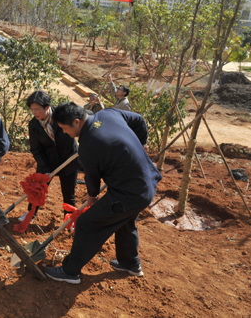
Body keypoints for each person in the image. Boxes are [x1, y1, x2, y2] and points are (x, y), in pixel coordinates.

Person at [44, 103, 161, 284]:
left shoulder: (88, 146)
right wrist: (142, 142)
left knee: (86, 223)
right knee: (124, 221)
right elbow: (138, 120)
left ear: (76, 122)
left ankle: (70, 271)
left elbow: (92, 178)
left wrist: (92, 197)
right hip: (147, 182)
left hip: (129, 193)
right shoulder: (108, 114)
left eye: (65, 128)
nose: (65, 133)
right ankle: (130, 263)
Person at [25, 91, 79, 221]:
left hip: (69, 160)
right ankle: (30, 214)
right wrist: (44, 169)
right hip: (47, 161)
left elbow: (84, 123)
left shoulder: (64, 116)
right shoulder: (34, 125)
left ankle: (70, 220)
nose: (34, 113)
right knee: (37, 190)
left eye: (37, 109)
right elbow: (36, 149)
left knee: (68, 194)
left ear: (47, 107)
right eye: (32, 110)